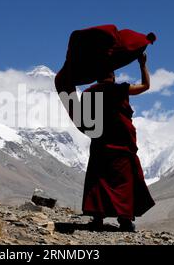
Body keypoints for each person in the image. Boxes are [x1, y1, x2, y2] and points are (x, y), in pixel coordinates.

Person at [55, 53, 155, 232]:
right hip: (122, 145)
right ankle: (124, 220)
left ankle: (98, 219)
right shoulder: (120, 90)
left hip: (101, 144)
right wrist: (142, 64)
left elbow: (85, 120)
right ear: (113, 75)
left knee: (99, 180)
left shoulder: (88, 93)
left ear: (97, 76)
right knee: (124, 182)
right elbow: (145, 86)